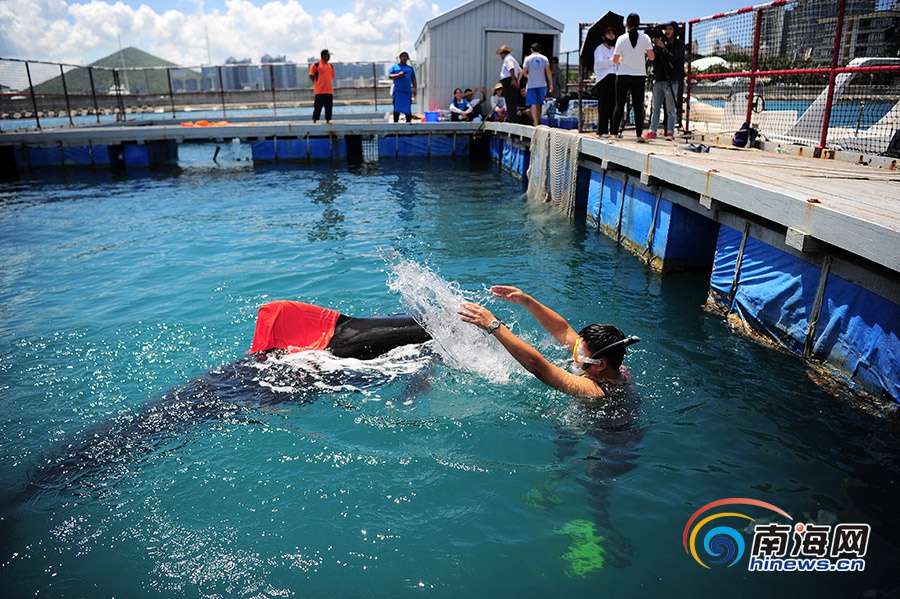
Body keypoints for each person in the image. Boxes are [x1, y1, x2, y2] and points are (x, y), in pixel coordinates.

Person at [458, 286, 639, 399]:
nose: (576, 354)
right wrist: (526, 300)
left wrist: (493, 325)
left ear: (600, 365)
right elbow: (563, 330)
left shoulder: (595, 390)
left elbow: (537, 365)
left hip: (607, 440)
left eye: (580, 353)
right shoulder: (612, 365)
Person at [611, 13, 654, 141]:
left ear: (626, 25)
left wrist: (622, 60)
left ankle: (614, 133)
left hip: (623, 74)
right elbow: (652, 57)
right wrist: (644, 52)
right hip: (639, 75)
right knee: (638, 106)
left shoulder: (621, 39)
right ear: (639, 24)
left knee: (619, 104)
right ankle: (639, 135)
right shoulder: (645, 38)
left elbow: (615, 59)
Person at [646, 21, 685, 140]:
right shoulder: (661, 43)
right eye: (666, 29)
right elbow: (654, 59)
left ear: (675, 30)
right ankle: (652, 131)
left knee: (670, 109)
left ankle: (670, 132)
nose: (667, 31)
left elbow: (674, 58)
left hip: (671, 80)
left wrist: (663, 47)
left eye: (670, 29)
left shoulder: (679, 44)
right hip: (658, 79)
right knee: (655, 107)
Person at [592, 26, 618, 137]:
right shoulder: (599, 49)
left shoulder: (615, 49)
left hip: (614, 77)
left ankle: (614, 130)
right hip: (603, 78)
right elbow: (599, 63)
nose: (611, 36)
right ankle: (602, 130)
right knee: (604, 105)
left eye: (613, 34)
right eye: (609, 34)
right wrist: (612, 61)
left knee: (614, 105)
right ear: (603, 37)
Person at [519, 43, 553, 127]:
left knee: (533, 103)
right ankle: (539, 119)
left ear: (531, 50)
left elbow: (524, 71)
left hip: (531, 84)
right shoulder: (544, 58)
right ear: (540, 50)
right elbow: (548, 71)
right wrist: (551, 84)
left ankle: (535, 122)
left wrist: (527, 76)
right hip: (542, 83)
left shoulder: (527, 59)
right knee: (539, 102)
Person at [388, 52, 417, 123]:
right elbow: (390, 76)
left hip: (407, 91)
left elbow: (413, 79)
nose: (405, 58)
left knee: (408, 109)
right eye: (403, 56)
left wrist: (415, 88)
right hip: (398, 91)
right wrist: (398, 75)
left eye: (406, 57)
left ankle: (408, 123)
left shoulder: (410, 68)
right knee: (397, 108)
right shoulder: (395, 67)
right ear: (400, 57)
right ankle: (395, 123)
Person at [497, 45, 522, 123]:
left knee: (509, 99)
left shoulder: (507, 59)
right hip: (510, 80)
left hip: (508, 80)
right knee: (512, 99)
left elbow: (511, 69)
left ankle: (511, 117)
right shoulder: (513, 59)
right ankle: (511, 116)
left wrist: (513, 79)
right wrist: (518, 81)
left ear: (503, 53)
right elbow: (520, 71)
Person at [309, 49, 336, 124]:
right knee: (318, 107)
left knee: (329, 107)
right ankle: (315, 120)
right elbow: (311, 75)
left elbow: (332, 76)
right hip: (319, 91)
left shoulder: (330, 66)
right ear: (323, 56)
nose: (329, 57)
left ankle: (328, 121)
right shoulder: (316, 65)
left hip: (329, 90)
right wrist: (316, 83)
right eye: (328, 55)